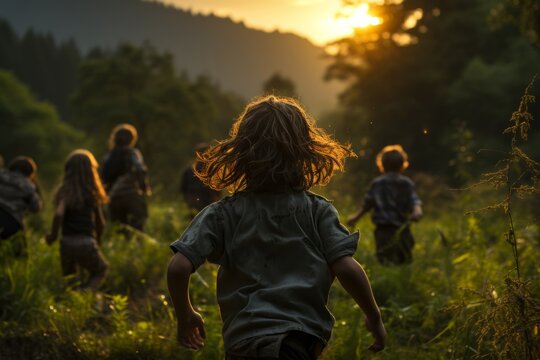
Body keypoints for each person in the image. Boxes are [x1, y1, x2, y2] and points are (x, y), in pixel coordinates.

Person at [167, 96, 386, 359]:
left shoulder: (221, 214)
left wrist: (185, 314)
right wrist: (374, 316)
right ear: (305, 151)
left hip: (243, 339)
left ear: (241, 153)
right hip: (300, 338)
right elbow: (346, 267)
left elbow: (179, 267)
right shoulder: (317, 211)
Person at [347, 144, 423, 265]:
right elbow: (414, 201)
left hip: (383, 232)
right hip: (403, 230)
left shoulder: (377, 183)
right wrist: (417, 211)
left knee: (385, 261)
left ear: (382, 164)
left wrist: (355, 218)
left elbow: (367, 205)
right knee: (404, 261)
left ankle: (389, 282)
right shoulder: (407, 183)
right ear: (402, 164)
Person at [46, 149, 109, 292]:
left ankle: (72, 303)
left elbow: (58, 214)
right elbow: (100, 222)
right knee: (100, 271)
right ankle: (86, 293)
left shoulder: (64, 191)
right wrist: (98, 241)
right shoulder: (92, 192)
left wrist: (53, 236)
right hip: (86, 241)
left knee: (70, 280)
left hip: (66, 242)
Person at [100, 124, 151, 231]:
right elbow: (140, 170)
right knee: (139, 222)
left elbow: (102, 177)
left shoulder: (109, 156)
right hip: (131, 194)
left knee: (119, 227)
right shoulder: (133, 153)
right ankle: (136, 246)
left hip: (114, 197)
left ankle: (122, 246)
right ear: (132, 139)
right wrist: (145, 189)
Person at [0, 156, 42, 255]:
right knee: (19, 255)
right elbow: (36, 207)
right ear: (30, 173)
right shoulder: (28, 186)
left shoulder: (1, 175)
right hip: (12, 222)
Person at [180, 143, 221, 217]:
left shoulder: (189, 170)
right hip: (208, 201)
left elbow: (183, 189)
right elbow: (218, 189)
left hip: (193, 201)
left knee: (194, 222)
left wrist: (187, 200)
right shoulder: (212, 170)